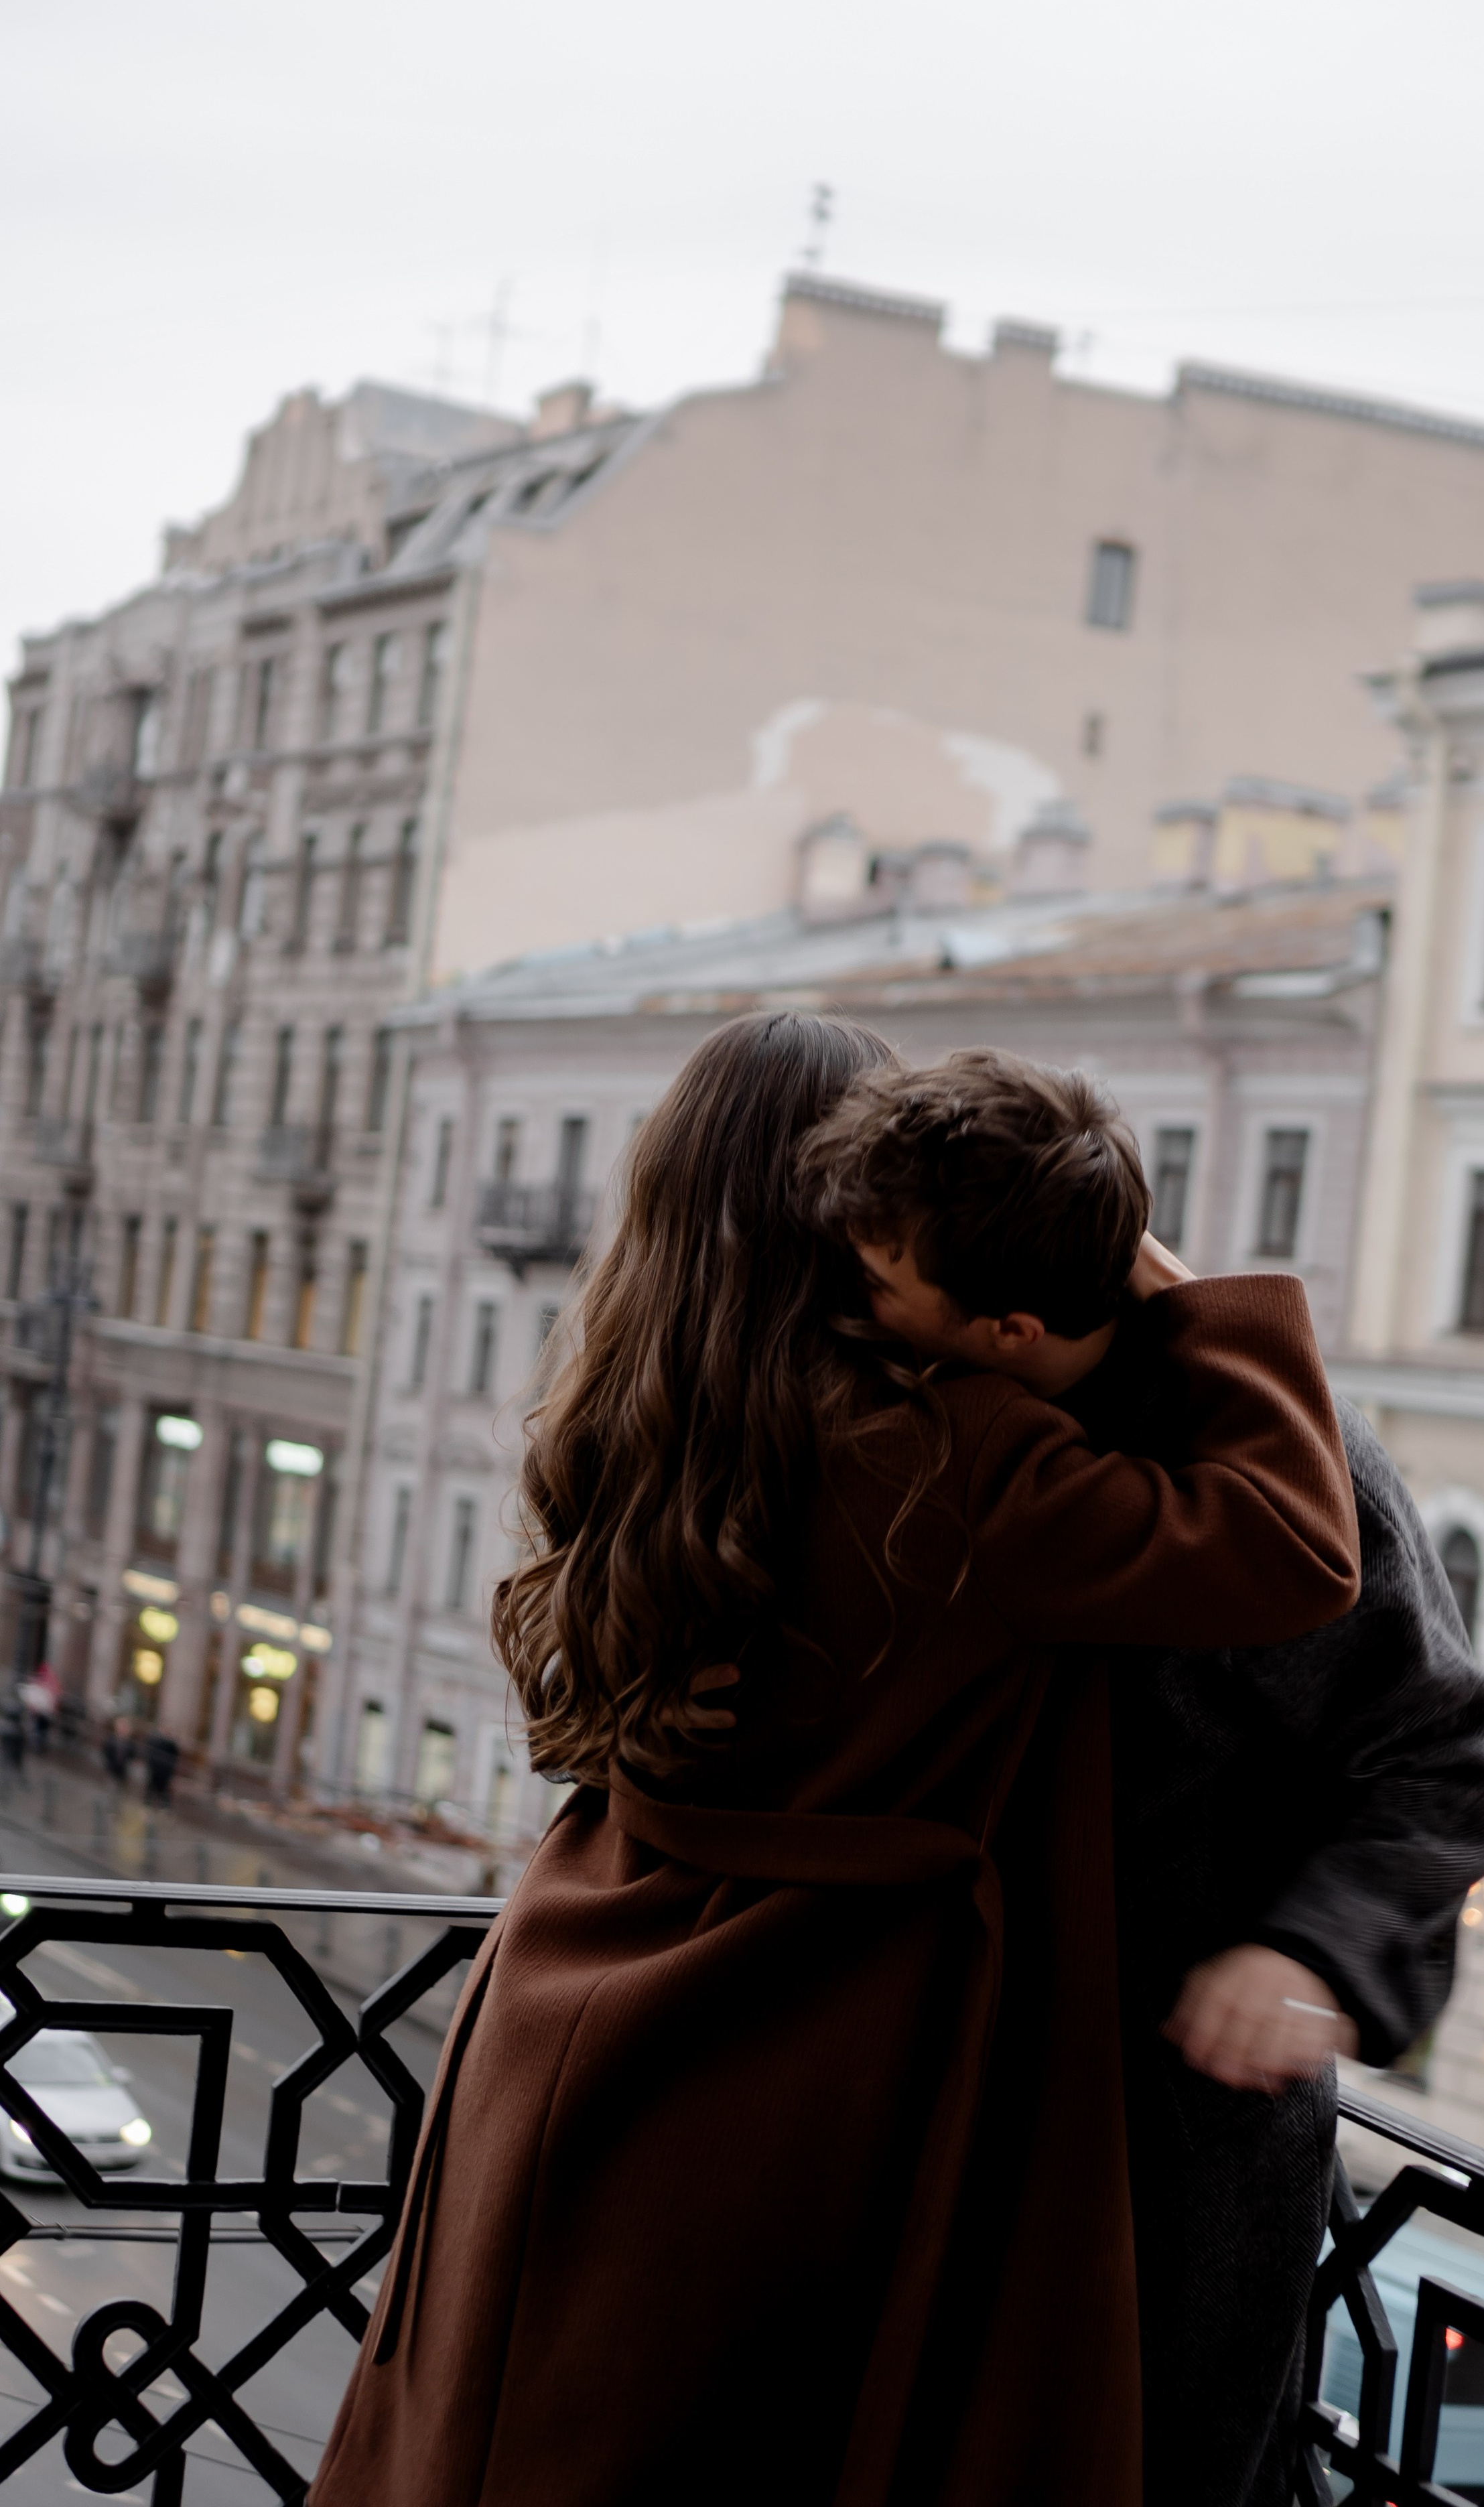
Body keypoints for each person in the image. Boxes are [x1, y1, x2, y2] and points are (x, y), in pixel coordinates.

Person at [313, 1010, 1359, 2507]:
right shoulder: (957, 1457)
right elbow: (1291, 1546)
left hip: (556, 2018)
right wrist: (1148, 1274)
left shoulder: (626, 1418)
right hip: (808, 2077)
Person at [821, 1046, 1484, 2506]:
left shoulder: (1298, 1482)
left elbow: (1441, 1757)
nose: (845, 1304)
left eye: (880, 1280)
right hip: (928, 2102)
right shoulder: (899, 1404)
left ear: (1007, 1327)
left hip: (1169, 2162)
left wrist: (1303, 1950)